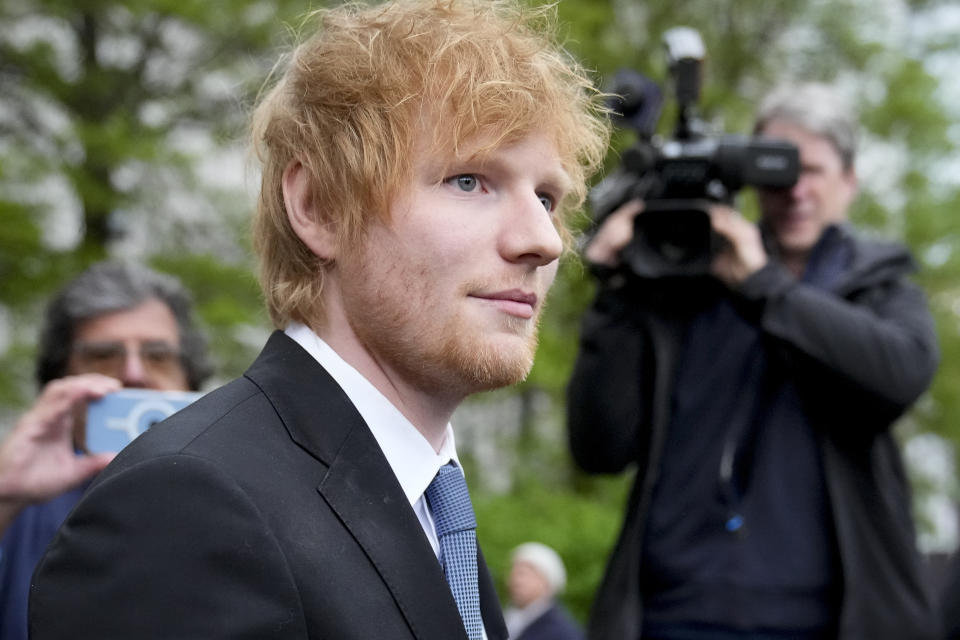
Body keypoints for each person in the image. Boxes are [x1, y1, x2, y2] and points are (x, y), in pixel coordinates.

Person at [29, 1, 610, 638]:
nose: (544, 240)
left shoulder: (433, 507)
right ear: (320, 207)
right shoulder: (181, 507)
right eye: (470, 180)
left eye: (548, 198)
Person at [567, 82, 940, 640]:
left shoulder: (880, 287)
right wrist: (615, 293)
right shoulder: (686, 279)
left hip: (823, 620)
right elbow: (599, 448)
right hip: (672, 613)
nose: (795, 191)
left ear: (850, 181)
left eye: (811, 169)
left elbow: (901, 376)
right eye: (778, 171)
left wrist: (765, 288)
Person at [0, 261, 211, 640]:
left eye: (158, 355)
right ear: (60, 380)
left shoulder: (237, 491)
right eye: (102, 355)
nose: (133, 374)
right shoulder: (20, 503)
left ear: (189, 379)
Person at [504, 542, 584, 640]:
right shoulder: (507, 617)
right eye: (515, 572)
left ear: (548, 582)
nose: (517, 580)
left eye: (525, 574)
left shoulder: (561, 631)